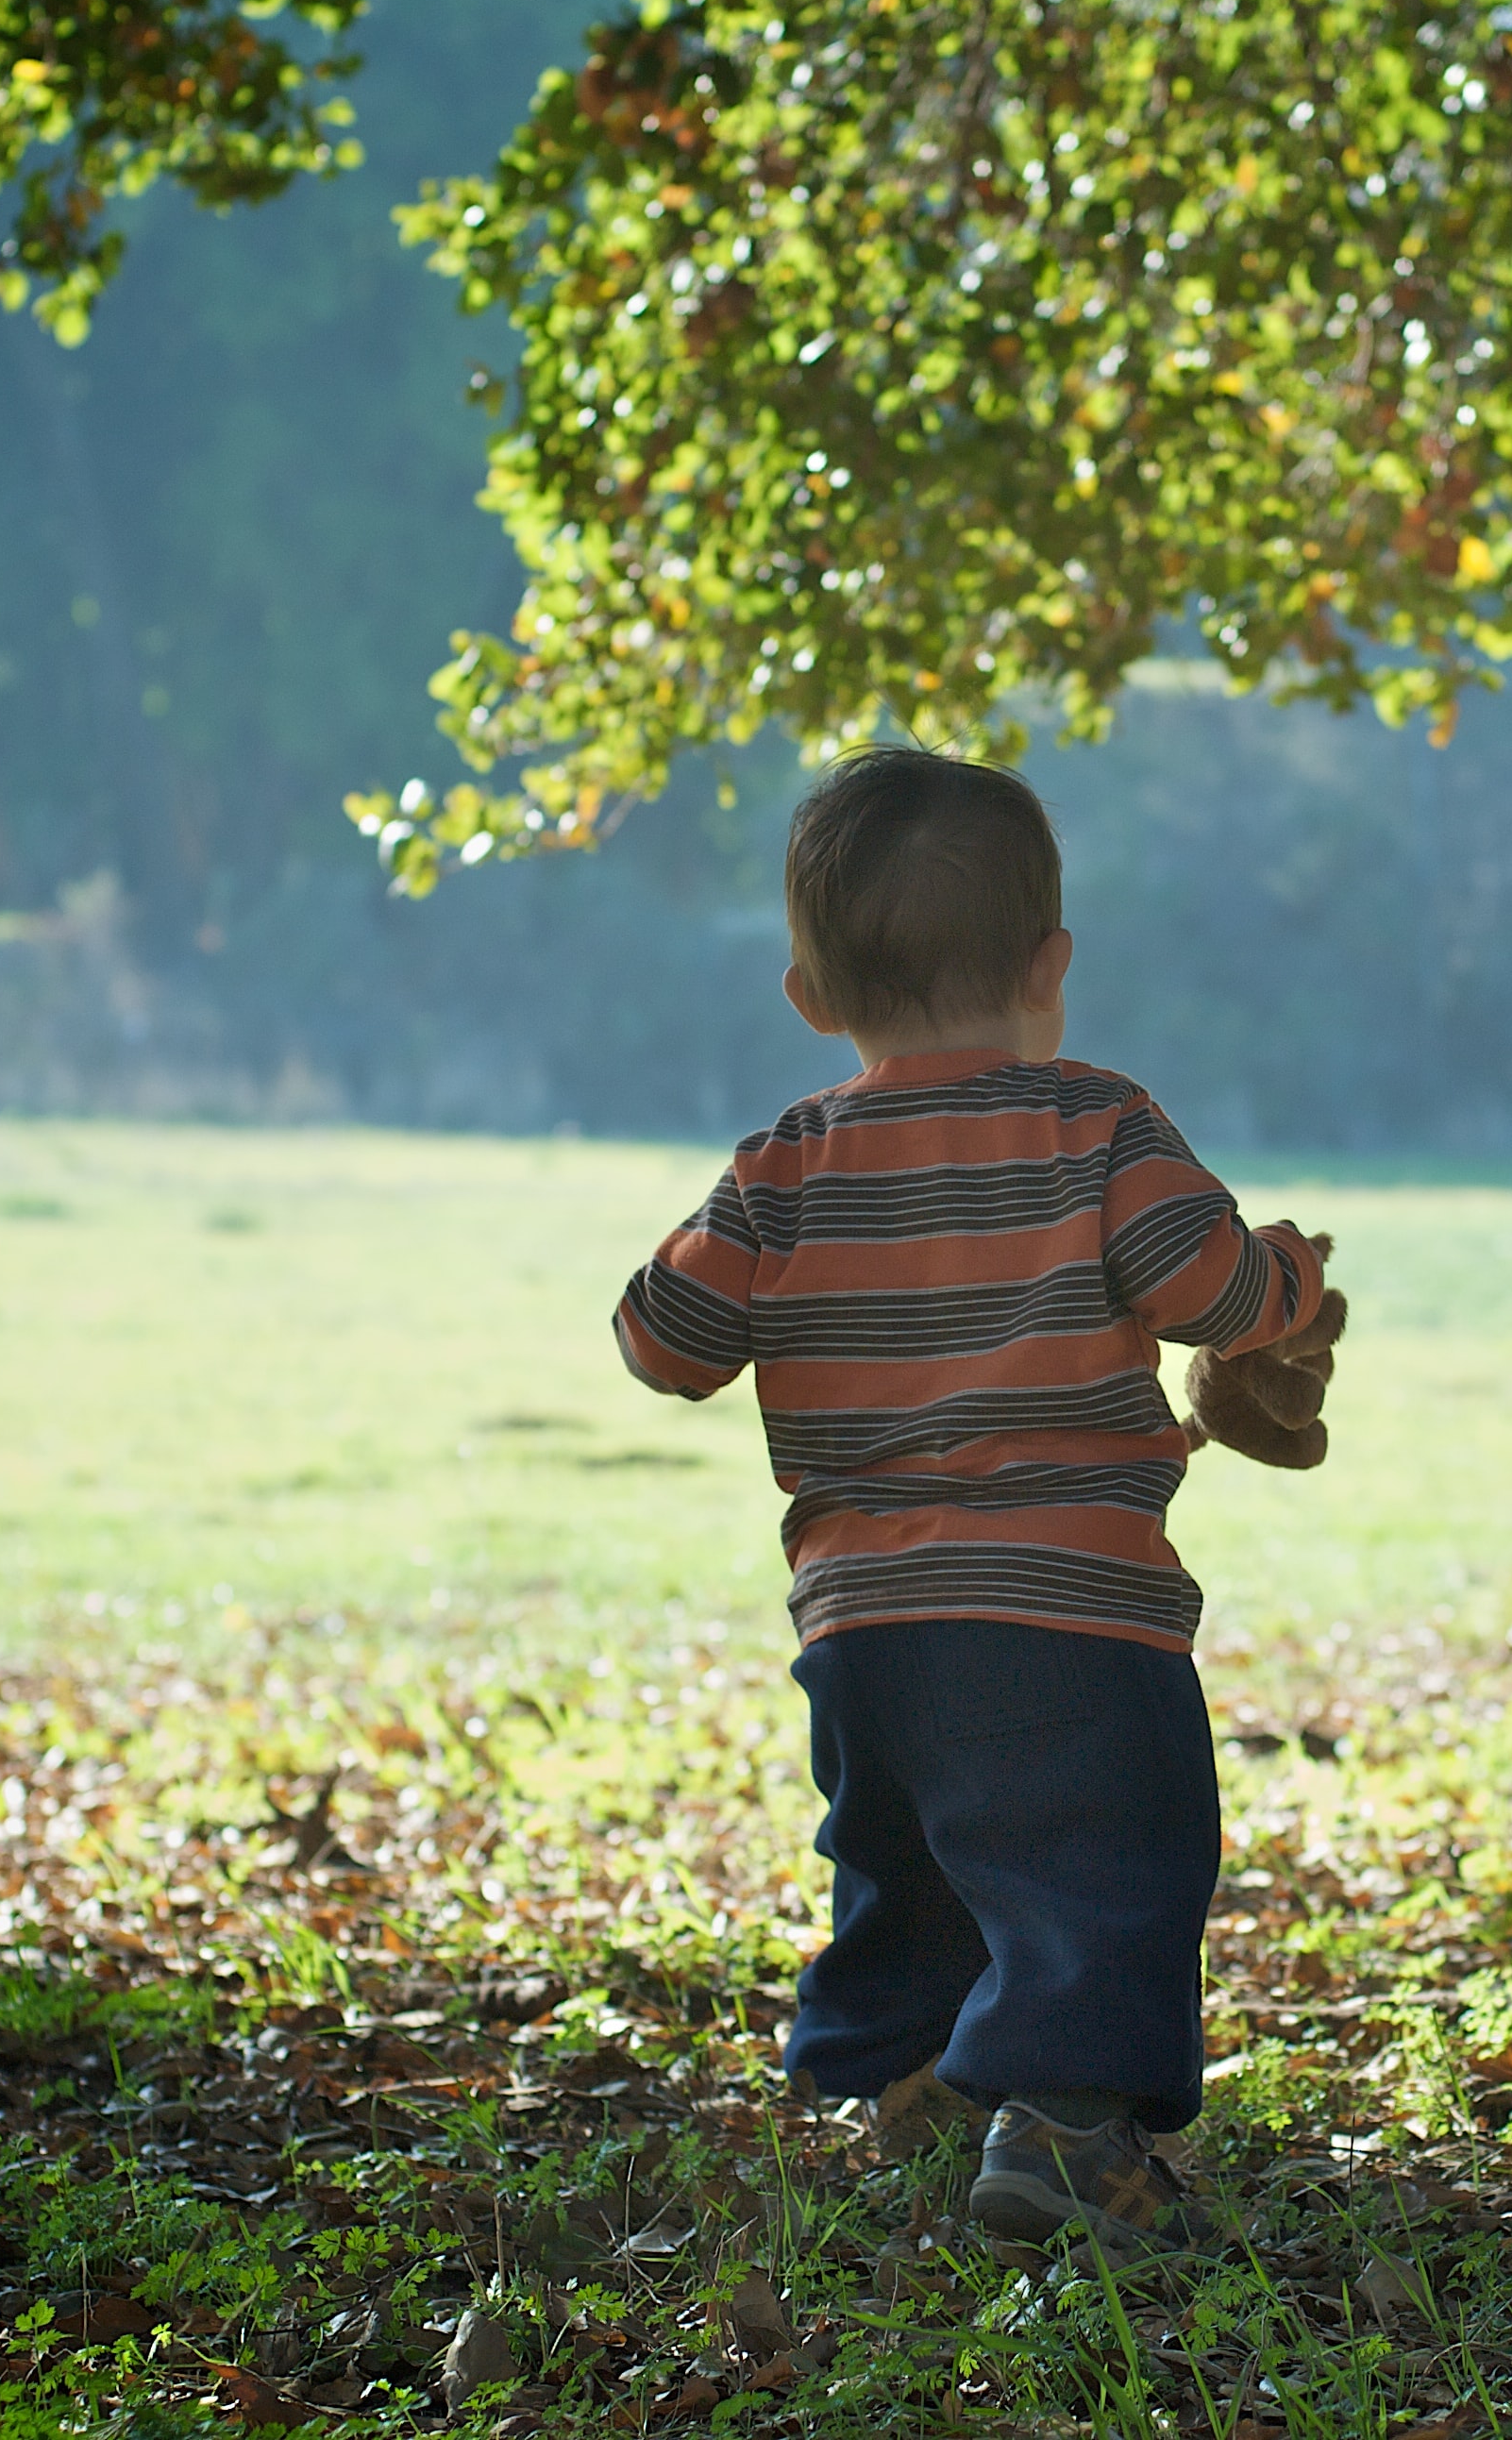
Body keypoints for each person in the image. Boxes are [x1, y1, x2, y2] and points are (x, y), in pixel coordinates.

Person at [610, 747, 1337, 2255]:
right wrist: (1288, 1284)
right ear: (1050, 963)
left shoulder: (784, 1165)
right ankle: (1067, 2128)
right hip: (1072, 1609)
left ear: (809, 994)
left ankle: (895, 2087)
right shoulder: (1099, 1124)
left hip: (865, 1631)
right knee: (1104, 1866)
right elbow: (1205, 1287)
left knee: (909, 1860)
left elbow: (661, 1344)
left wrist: (740, 1236)